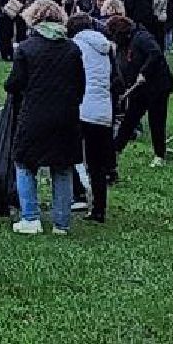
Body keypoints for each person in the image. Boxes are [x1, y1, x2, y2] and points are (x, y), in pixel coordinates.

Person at [4, 0, 84, 235]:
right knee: (63, 167)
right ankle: (62, 223)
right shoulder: (72, 48)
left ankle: (30, 217)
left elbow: (13, 84)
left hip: (35, 114)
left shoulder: (27, 48)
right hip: (66, 115)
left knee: (24, 163)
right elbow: (81, 85)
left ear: (33, 20)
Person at [68, 12, 116, 223]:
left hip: (81, 108)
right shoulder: (105, 48)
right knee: (98, 164)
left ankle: (76, 193)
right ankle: (99, 208)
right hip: (103, 110)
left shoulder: (75, 46)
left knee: (70, 154)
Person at [108, 14, 172, 167]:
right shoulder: (123, 44)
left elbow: (155, 53)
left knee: (156, 121)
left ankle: (159, 156)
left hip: (157, 86)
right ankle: (116, 149)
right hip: (138, 88)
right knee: (130, 119)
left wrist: (144, 72)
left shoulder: (142, 37)